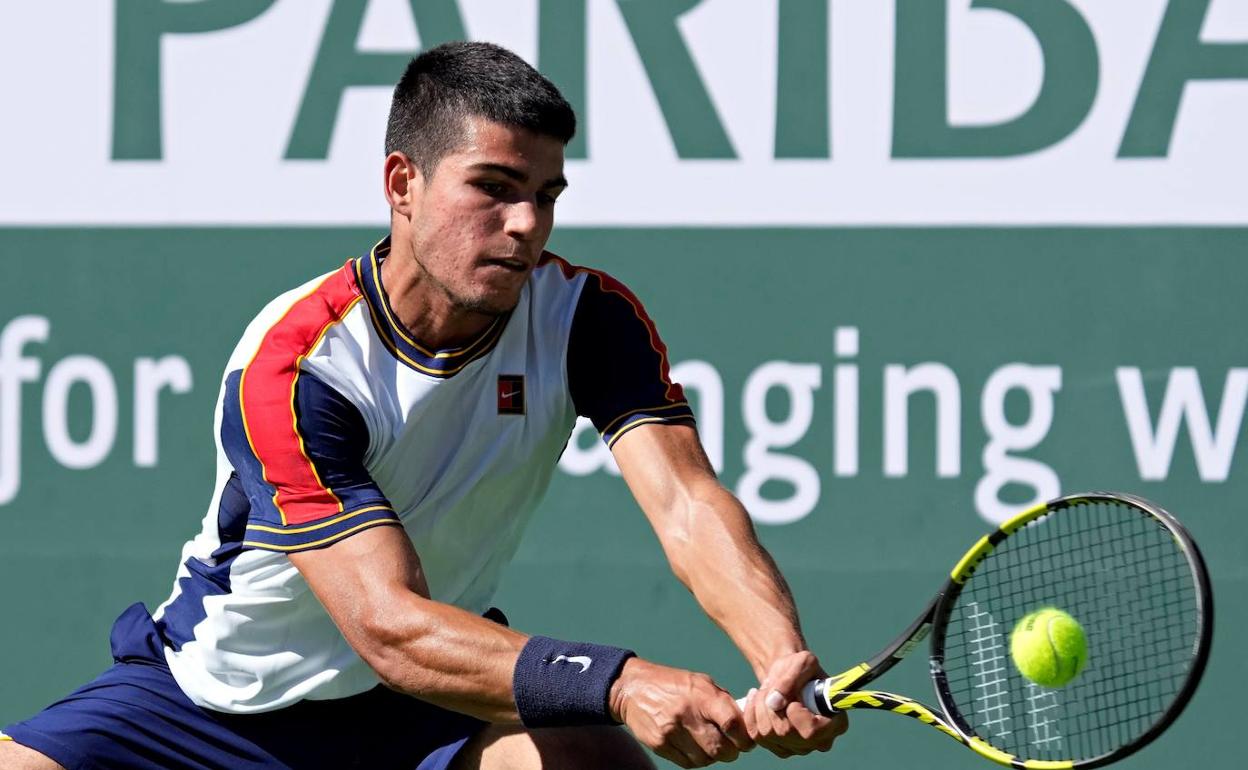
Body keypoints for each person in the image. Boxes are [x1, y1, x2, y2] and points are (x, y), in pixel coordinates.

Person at [0, 41, 847, 769]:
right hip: (211, 704)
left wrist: (781, 658)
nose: (526, 223)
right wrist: (618, 682)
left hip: (426, 706)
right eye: (494, 187)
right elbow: (388, 625)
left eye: (547, 195)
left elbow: (687, 506)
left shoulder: (586, 320)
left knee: (587, 757)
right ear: (402, 182)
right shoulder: (299, 366)